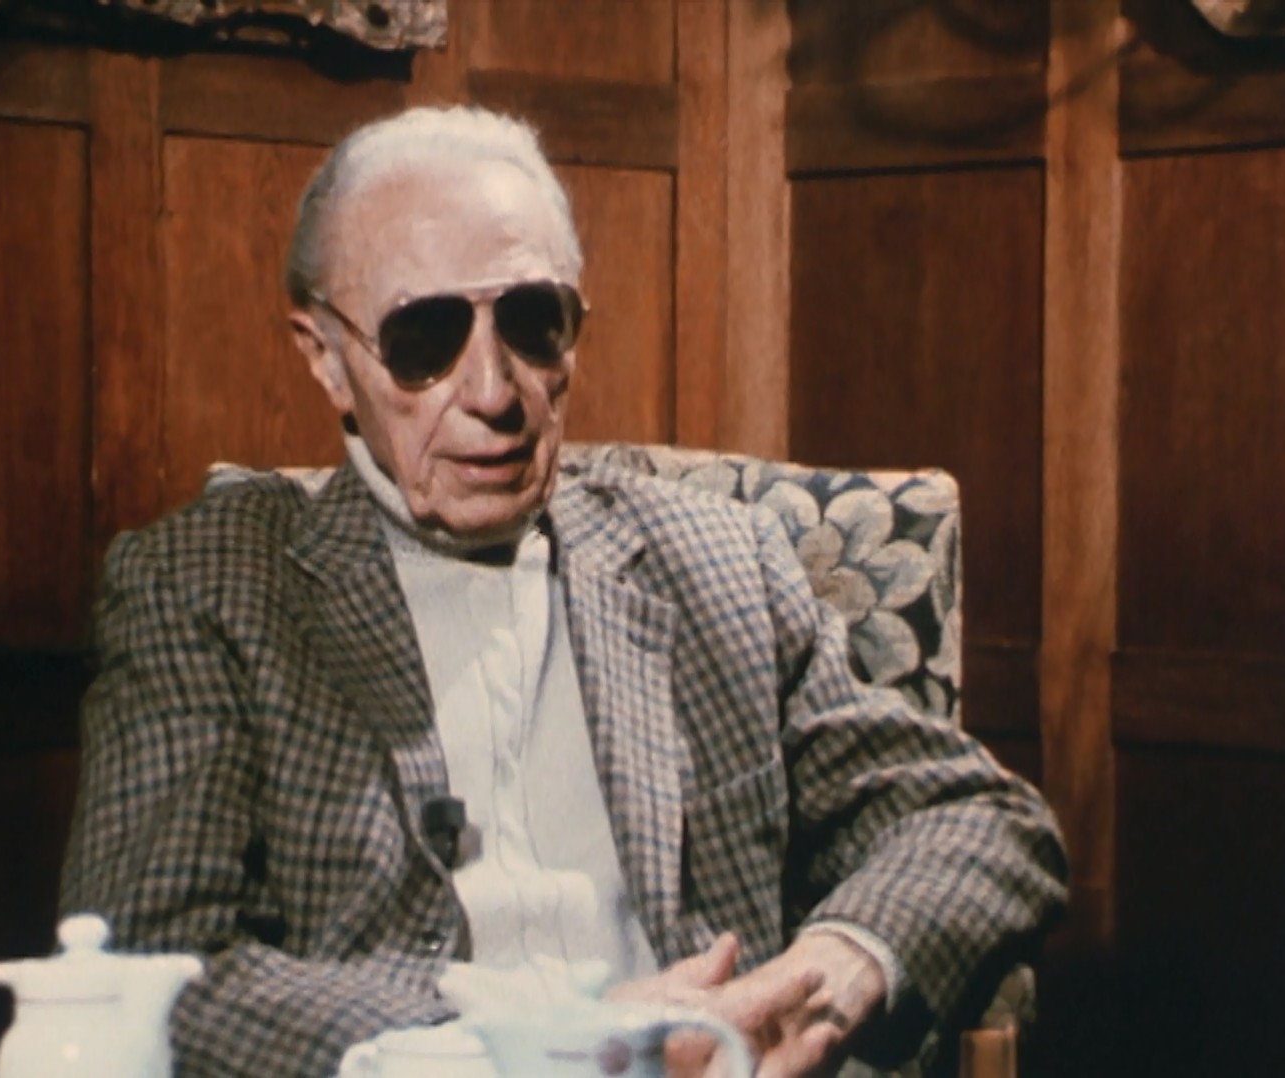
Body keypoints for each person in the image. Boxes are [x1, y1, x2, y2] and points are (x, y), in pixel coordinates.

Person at [59, 104, 1068, 1078]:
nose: (494, 394)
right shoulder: (208, 586)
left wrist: (831, 971)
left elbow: (983, 819)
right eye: (425, 339)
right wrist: (530, 1044)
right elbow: (146, 961)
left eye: (533, 323)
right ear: (325, 357)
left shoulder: (718, 565)